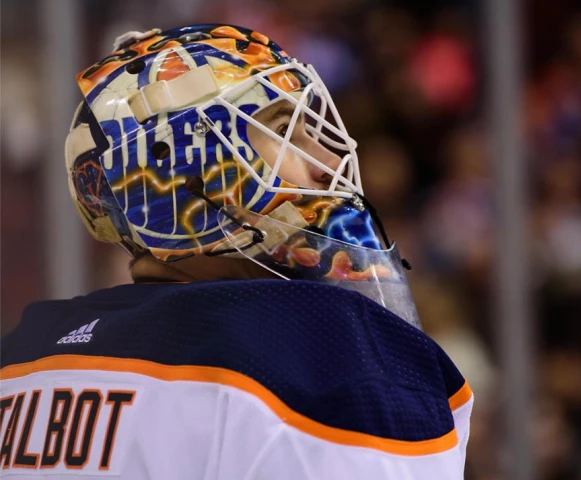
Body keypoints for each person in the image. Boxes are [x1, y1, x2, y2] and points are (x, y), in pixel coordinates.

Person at [0, 24, 473, 479]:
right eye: (287, 129)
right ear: (185, 168)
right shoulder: (325, 345)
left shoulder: (20, 357)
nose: (328, 163)